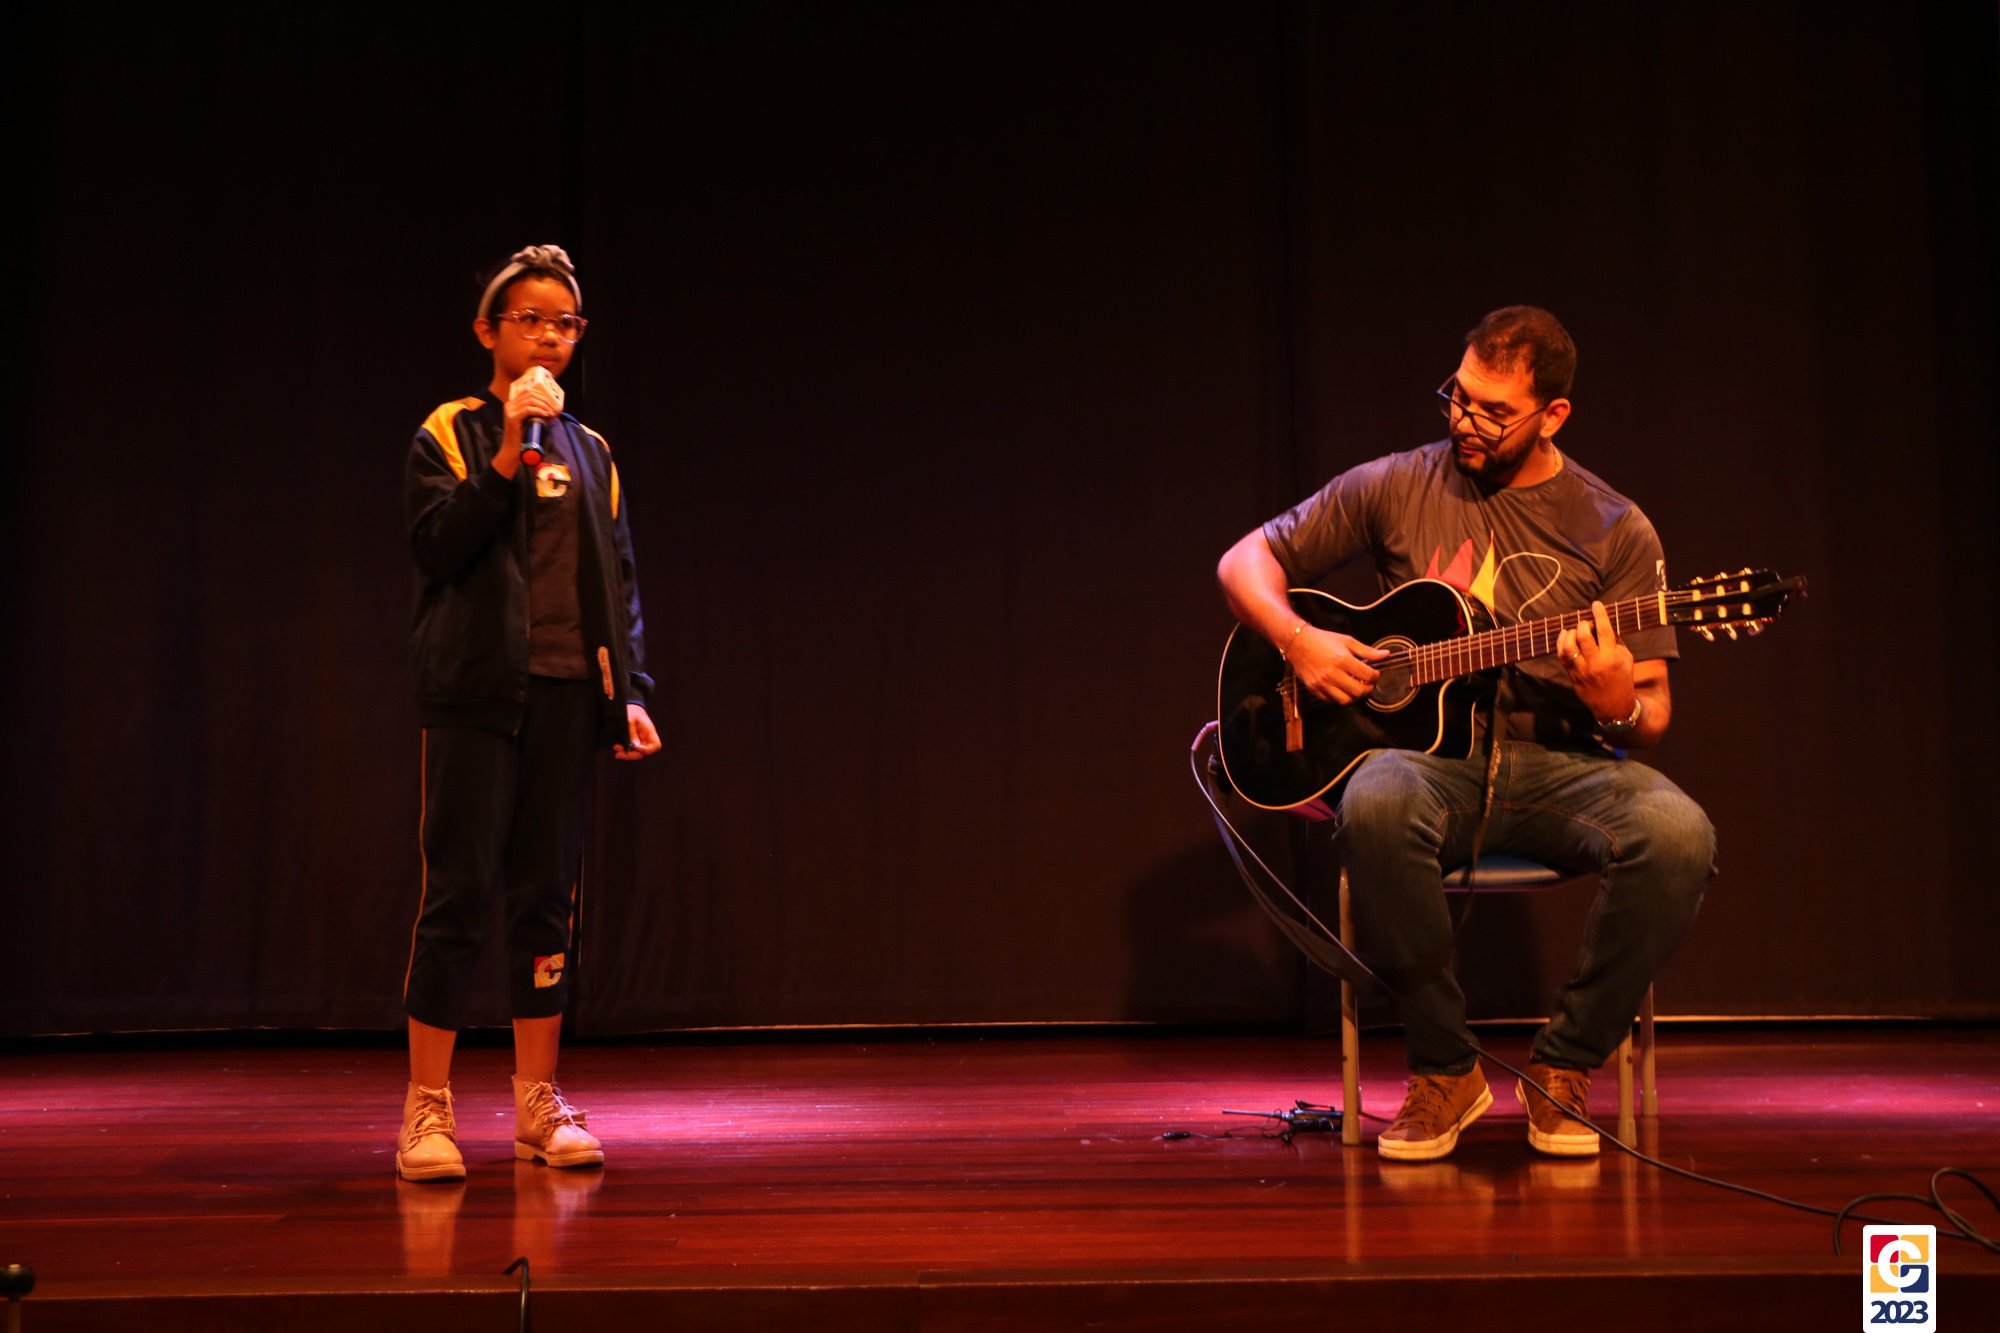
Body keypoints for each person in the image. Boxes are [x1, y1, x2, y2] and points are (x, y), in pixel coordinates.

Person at [1215, 306, 1715, 1162]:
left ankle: (1564, 1065)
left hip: (1559, 766)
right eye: (1459, 396)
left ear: (1553, 415)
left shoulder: (1615, 527)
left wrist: (1614, 704)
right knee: (1374, 801)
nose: (1464, 421)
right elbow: (1242, 562)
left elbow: (1653, 713)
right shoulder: (1395, 485)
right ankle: (1445, 1070)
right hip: (1426, 766)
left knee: (1679, 834)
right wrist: (1300, 641)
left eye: (1493, 411)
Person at [395, 244, 661, 1182]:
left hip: (566, 695)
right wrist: (510, 448)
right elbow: (439, 548)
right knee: (458, 893)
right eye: (531, 320)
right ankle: (427, 1107)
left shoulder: (593, 451)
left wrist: (629, 691)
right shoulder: (451, 431)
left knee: (546, 897)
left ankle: (536, 1103)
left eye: (565, 323)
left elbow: (617, 579)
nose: (550, 337)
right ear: (488, 332)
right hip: (475, 694)